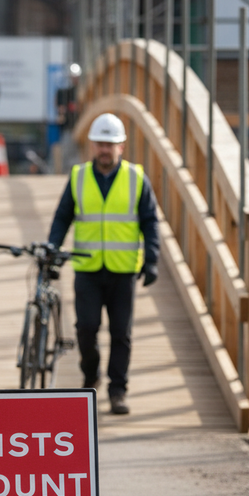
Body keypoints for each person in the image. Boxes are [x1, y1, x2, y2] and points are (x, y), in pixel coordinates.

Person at [47, 113, 159, 416]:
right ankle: (90, 376)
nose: (104, 150)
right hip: (88, 269)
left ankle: (118, 390)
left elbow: (150, 222)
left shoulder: (136, 179)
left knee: (121, 333)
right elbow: (62, 217)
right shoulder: (79, 176)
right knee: (86, 328)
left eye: (110, 144)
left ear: (121, 146)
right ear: (92, 146)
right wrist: (52, 248)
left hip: (123, 270)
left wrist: (152, 259)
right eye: (99, 144)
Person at [55, 63, 83, 133]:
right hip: (67, 127)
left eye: (76, 78)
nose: (75, 79)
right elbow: (61, 110)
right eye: (73, 78)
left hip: (78, 125)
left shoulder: (80, 91)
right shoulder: (63, 93)